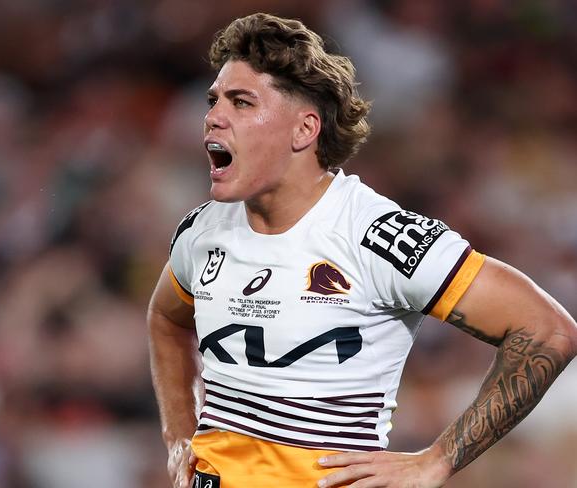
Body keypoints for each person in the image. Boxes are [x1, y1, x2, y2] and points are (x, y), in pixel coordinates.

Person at [147, 12, 577, 488]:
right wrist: (178, 434)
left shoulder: (376, 236)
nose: (213, 116)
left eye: (241, 102)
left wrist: (437, 460)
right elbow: (166, 320)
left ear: (303, 130)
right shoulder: (202, 231)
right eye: (214, 100)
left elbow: (547, 330)